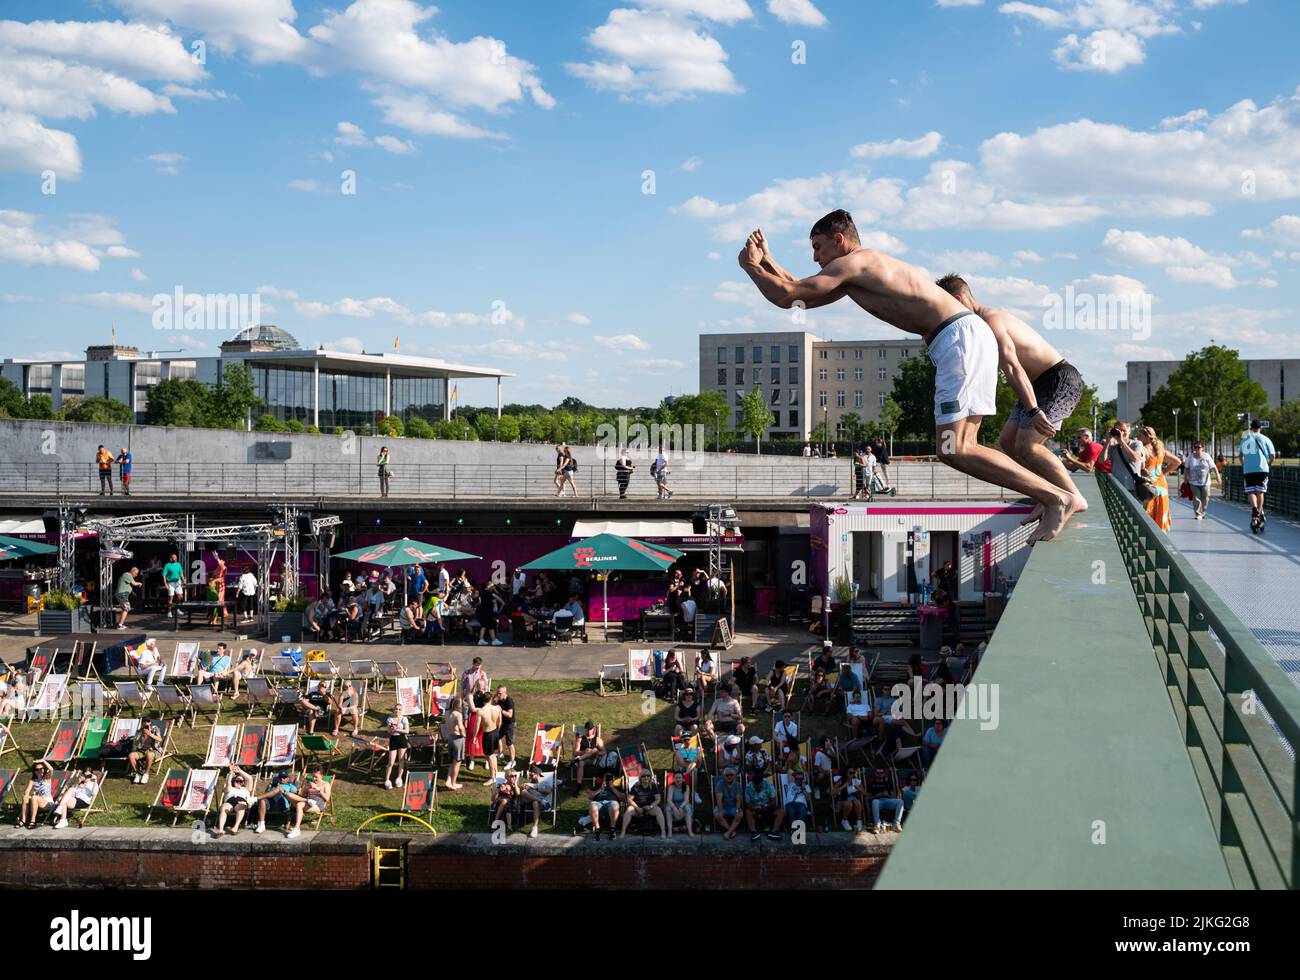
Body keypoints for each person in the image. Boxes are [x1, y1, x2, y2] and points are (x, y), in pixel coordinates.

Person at [740, 214, 1079, 542]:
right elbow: (798, 292)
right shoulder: (856, 270)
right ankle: (1052, 496)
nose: (815, 257)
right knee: (959, 447)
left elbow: (787, 297)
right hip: (963, 338)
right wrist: (768, 260)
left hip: (958, 341)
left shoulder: (853, 263)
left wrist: (750, 266)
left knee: (954, 448)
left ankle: (1054, 497)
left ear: (839, 240)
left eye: (818, 247)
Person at [936, 275, 1088, 526]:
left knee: (1028, 446)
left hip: (1057, 378)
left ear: (956, 300)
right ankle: (1047, 493)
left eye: (946, 309)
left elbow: (1013, 367)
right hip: (1036, 383)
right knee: (1007, 442)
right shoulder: (981, 326)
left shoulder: (992, 323)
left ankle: (1073, 497)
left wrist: (1034, 410)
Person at [1134, 426, 1181, 532]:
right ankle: (1161, 535)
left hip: (1149, 486)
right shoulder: (1160, 450)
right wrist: (1163, 472)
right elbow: (1177, 462)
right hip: (1162, 486)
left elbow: (1140, 465)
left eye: (1140, 435)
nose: (1137, 437)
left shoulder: (1143, 449)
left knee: (1148, 512)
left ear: (1147, 437)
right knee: (1161, 511)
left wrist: (1142, 469)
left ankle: (1150, 537)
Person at [1240, 419, 1278, 534]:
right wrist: (1269, 464)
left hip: (1248, 470)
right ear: (1260, 428)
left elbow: (1240, 455)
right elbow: (1272, 455)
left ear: (1251, 428)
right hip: (1262, 468)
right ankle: (1259, 511)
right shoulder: (1265, 439)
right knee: (1260, 492)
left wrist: (1244, 465)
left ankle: (1254, 509)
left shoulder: (1245, 439)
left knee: (1251, 491)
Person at [620, 770, 666, 839]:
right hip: (638, 807)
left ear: (650, 777)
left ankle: (663, 831)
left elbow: (658, 799)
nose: (646, 777)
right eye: (643, 776)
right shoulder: (636, 786)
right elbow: (629, 799)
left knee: (658, 810)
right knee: (629, 810)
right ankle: (623, 831)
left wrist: (651, 806)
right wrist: (637, 808)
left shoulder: (653, 785)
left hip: (649, 807)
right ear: (640, 778)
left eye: (648, 776)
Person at [470, 691, 503, 783]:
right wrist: (497, 730)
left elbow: (477, 725)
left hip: (488, 734)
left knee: (489, 756)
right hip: (495, 731)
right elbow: (500, 721)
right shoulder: (497, 709)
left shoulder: (481, 711)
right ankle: (496, 773)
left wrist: (474, 737)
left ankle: (493, 777)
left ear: (483, 700)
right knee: (493, 755)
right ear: (491, 699)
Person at [1105, 421, 1145, 496]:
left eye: (1124, 430)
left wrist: (1122, 441)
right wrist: (1107, 441)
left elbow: (1135, 458)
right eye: (1119, 431)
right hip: (1116, 489)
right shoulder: (1113, 447)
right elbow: (1101, 461)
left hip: (1133, 489)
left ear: (1129, 431)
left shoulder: (1137, 444)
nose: (1121, 433)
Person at [213, 764, 254, 837]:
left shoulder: (246, 789)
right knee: (224, 808)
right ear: (233, 781)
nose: (239, 782)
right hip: (230, 802)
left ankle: (235, 828)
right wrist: (231, 772)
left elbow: (250, 779)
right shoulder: (230, 788)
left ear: (243, 783)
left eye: (241, 781)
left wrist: (240, 771)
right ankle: (220, 830)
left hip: (241, 802)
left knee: (241, 806)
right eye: (237, 781)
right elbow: (228, 783)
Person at [1183, 442, 1219, 521]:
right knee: (1196, 498)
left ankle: (1203, 512)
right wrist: (1185, 479)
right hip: (1193, 482)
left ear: (1202, 448)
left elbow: (1213, 467)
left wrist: (1217, 476)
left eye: (1198, 447)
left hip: (1206, 482)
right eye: (1195, 447)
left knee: (1205, 498)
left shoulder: (1207, 456)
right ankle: (1198, 514)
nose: (1197, 449)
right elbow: (1186, 468)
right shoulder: (1190, 456)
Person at [744, 772, 783, 841]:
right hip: (755, 807)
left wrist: (767, 806)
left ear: (762, 781)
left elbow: (773, 800)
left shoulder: (768, 784)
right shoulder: (748, 787)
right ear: (753, 782)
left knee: (781, 811)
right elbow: (748, 803)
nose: (758, 786)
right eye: (756, 784)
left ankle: (774, 831)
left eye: (759, 784)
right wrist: (754, 808)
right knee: (748, 812)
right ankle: (754, 832)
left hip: (767, 807)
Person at [588, 772, 625, 840]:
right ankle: (597, 830)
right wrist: (600, 789)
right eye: (607, 777)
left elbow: (622, 798)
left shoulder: (617, 787)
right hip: (598, 803)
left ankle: (612, 830)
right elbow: (590, 796)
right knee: (592, 805)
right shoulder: (598, 786)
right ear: (603, 779)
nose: (608, 779)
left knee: (614, 805)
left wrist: (613, 788)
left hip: (612, 803)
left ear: (614, 779)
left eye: (610, 777)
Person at [868, 767, 905, 834]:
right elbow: (868, 798)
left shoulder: (888, 783)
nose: (880, 774)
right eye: (878, 773)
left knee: (900, 801)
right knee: (874, 801)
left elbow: (894, 796)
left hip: (888, 800)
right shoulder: (871, 784)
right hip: (877, 802)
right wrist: (877, 795)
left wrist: (888, 795)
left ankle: (896, 823)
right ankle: (877, 825)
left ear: (884, 774)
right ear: (875, 774)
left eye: (881, 773)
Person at [19, 761, 56, 828]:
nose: (39, 770)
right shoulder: (33, 781)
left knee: (34, 797)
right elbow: (27, 791)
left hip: (48, 803)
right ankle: (23, 820)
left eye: (41, 768)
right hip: (36, 801)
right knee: (26, 797)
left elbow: (51, 769)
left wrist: (43, 761)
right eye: (37, 769)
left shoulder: (47, 778)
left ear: (44, 769)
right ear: (35, 771)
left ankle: (33, 821)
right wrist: (27, 794)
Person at [519, 764, 552, 837]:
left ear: (537, 774)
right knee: (524, 792)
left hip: (544, 805)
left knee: (535, 802)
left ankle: (535, 828)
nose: (530, 777)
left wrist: (535, 788)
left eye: (531, 775)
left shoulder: (545, 782)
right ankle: (540, 801)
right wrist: (523, 787)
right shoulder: (530, 783)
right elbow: (523, 793)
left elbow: (549, 791)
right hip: (531, 803)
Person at [441, 695, 466, 791]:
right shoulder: (458, 715)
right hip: (457, 739)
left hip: (450, 737)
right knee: (457, 763)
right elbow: (460, 727)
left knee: (452, 762)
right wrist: (464, 734)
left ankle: (448, 779)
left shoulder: (447, 712)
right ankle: (453, 783)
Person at [128, 718, 163, 784]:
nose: (146, 723)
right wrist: (141, 735)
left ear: (150, 723)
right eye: (144, 722)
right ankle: (138, 773)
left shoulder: (155, 729)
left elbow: (160, 739)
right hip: (142, 751)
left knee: (149, 754)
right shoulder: (139, 731)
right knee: (131, 755)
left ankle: (146, 774)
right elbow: (135, 744)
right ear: (142, 723)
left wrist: (150, 734)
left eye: (148, 721)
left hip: (154, 751)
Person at [383, 703, 409, 790]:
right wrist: (391, 729)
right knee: (391, 762)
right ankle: (387, 780)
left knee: (401, 760)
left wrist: (397, 729)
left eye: (399, 709)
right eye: (396, 709)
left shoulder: (404, 719)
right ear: (394, 710)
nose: (397, 710)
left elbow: (407, 731)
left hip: (402, 740)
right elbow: (388, 732)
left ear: (402, 711)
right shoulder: (390, 719)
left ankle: (399, 778)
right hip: (393, 740)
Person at [713, 766, 744, 839]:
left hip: (733, 807)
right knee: (717, 814)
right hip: (723, 807)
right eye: (727, 775)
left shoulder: (737, 784)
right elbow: (719, 799)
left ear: (734, 776)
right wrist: (720, 810)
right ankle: (731, 831)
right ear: (724, 776)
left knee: (740, 814)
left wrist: (737, 810)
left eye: (731, 775)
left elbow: (739, 800)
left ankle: (728, 832)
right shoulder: (720, 784)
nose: (729, 776)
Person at [664, 769, 696, 838]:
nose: (678, 779)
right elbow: (669, 800)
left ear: (683, 779)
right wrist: (674, 808)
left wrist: (681, 807)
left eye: (679, 778)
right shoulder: (671, 787)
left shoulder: (686, 787)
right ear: (674, 779)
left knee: (687, 807)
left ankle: (690, 831)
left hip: (683, 804)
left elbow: (686, 800)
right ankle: (670, 831)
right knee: (668, 808)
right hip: (673, 805)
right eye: (676, 778)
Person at [494, 685, 517, 770]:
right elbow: (492, 701)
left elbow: (510, 715)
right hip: (503, 723)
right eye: (497, 693)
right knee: (498, 737)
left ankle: (512, 761)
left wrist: (501, 710)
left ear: (505, 693)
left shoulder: (509, 701)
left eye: (499, 693)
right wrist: (495, 695)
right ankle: (500, 754)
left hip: (510, 724)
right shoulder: (499, 700)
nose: (498, 695)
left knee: (509, 743)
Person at [114, 565, 142, 630]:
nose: (136, 575)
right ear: (132, 571)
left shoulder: (127, 576)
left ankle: (120, 624)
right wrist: (139, 583)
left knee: (124, 609)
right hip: (122, 594)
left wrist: (132, 592)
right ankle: (120, 625)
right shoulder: (127, 575)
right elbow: (134, 583)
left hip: (123, 594)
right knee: (126, 608)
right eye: (136, 573)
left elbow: (127, 585)